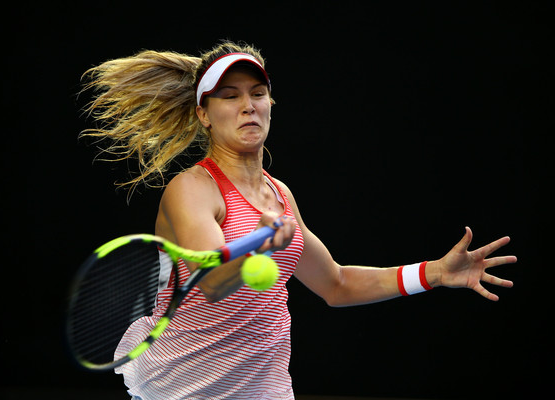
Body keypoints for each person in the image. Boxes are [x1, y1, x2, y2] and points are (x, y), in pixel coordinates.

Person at [80, 40, 517, 400]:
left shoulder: (281, 195)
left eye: (257, 93)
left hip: (266, 391)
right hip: (182, 392)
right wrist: (259, 242)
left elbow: (337, 284)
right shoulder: (191, 189)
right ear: (203, 115)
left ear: (271, 103)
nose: (247, 105)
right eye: (229, 96)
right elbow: (211, 279)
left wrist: (434, 273)